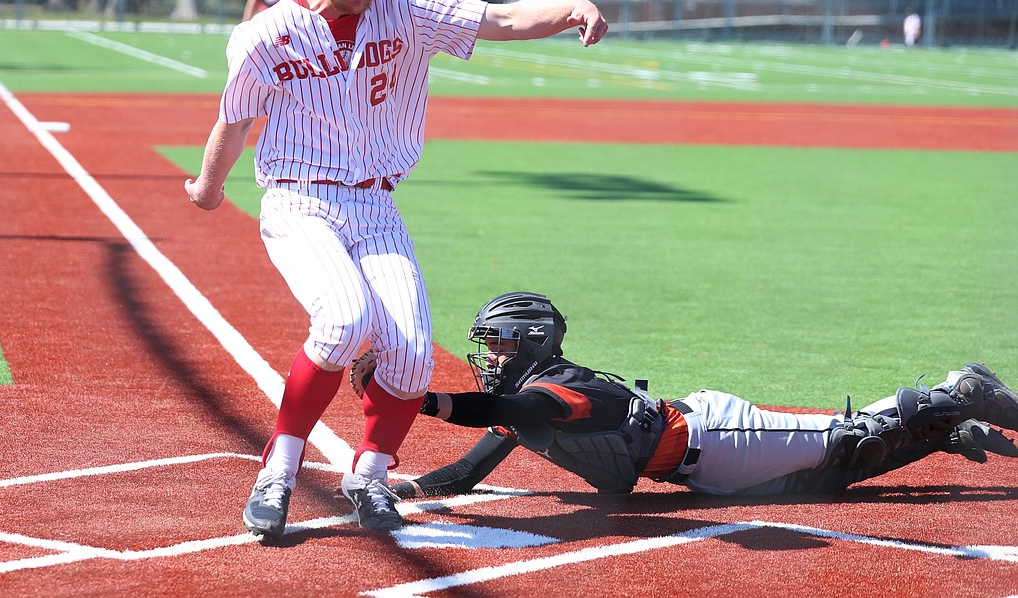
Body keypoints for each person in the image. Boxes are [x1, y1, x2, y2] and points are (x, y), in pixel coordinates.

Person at [184, 0, 609, 539]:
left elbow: (501, 19)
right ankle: (280, 469)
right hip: (301, 199)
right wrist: (210, 188)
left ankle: (370, 476)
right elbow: (234, 119)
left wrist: (571, 8)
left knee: (410, 355)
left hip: (375, 201)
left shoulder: (406, 7)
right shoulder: (266, 34)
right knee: (343, 316)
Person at [387, 292, 1018, 502]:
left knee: (849, 436)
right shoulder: (528, 399)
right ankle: (949, 432)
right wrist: (406, 488)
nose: (488, 358)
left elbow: (508, 414)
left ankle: (957, 391)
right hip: (703, 470)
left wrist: (421, 400)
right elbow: (466, 473)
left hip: (719, 439)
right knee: (829, 480)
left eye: (497, 345)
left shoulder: (554, 392)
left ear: (529, 342)